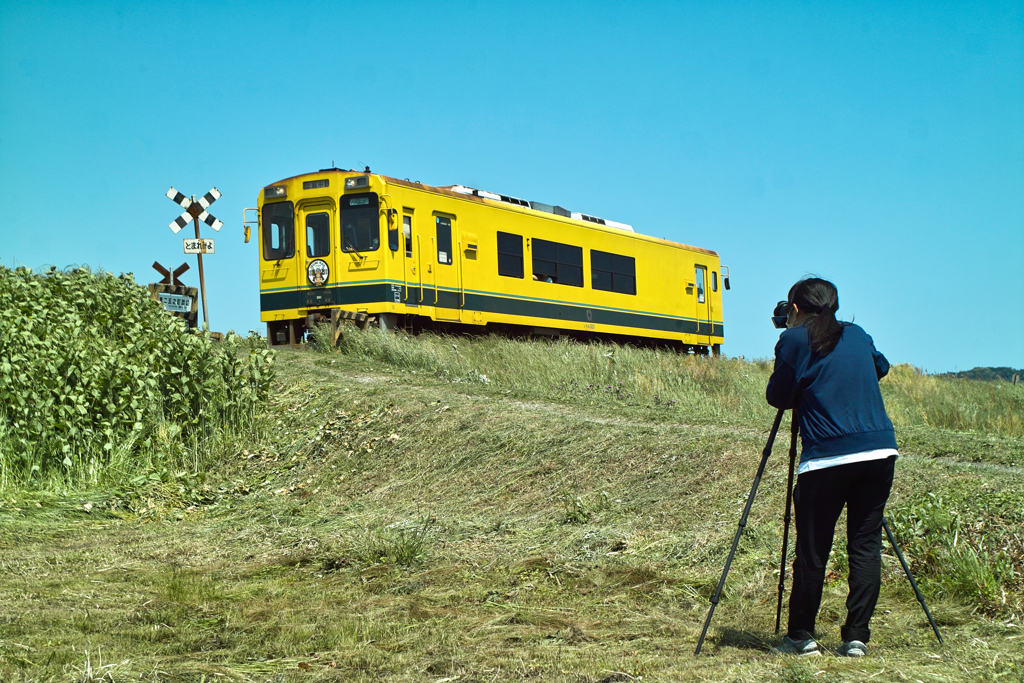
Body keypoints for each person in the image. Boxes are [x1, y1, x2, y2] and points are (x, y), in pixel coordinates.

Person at [766, 277, 898, 658]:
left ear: (794, 309)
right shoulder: (856, 334)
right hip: (879, 452)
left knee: (812, 551)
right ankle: (856, 638)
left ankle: (801, 637)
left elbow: (778, 396)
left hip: (827, 458)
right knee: (865, 546)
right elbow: (881, 367)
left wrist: (791, 350)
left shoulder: (794, 339)